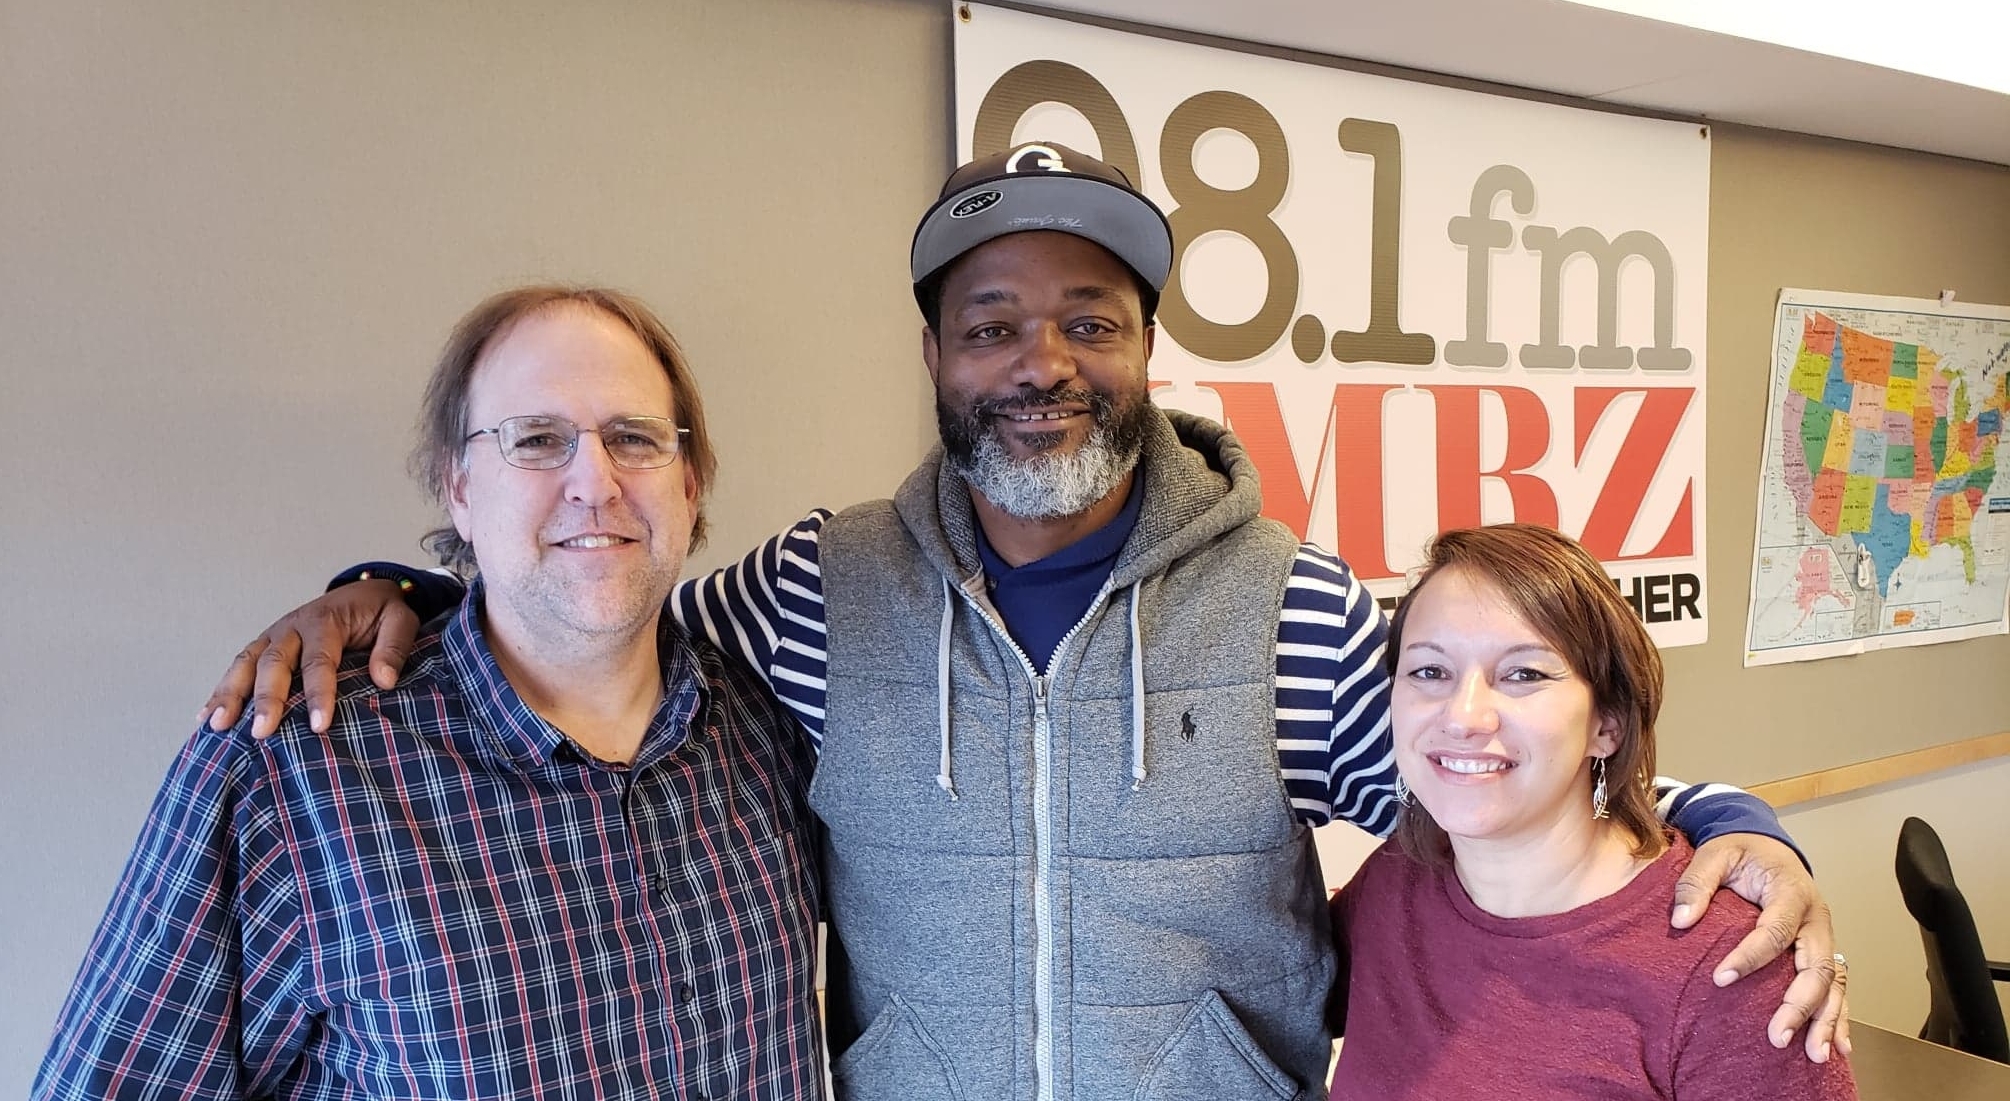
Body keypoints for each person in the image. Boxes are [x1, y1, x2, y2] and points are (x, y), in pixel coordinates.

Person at [198, 144, 1846, 1100]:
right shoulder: (815, 591)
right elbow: (595, 617)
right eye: (991, 323)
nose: (1040, 361)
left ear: (1144, 349)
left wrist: (1735, 824)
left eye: (1088, 319)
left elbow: (1501, 773)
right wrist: (408, 591)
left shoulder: (1287, 602)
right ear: (935, 358)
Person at [37, 287, 824, 1100]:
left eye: (634, 437)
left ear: (689, 484)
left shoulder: (772, 720)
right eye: (536, 439)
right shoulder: (285, 773)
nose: (595, 481)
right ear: (460, 488)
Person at [1327, 523, 1855, 1099]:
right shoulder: (1394, 884)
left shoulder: (1730, 966)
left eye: (1523, 674)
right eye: (1430, 671)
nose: (1463, 716)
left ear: (1608, 726)